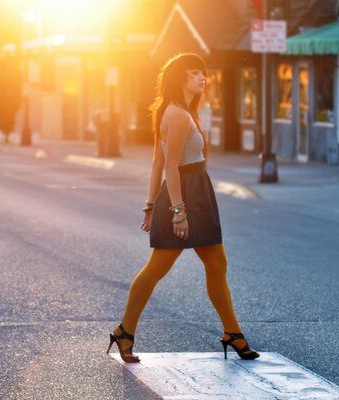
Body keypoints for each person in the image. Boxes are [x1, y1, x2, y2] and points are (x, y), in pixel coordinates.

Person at [107, 53, 259, 363]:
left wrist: (150, 206)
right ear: (180, 78)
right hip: (185, 195)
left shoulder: (183, 111)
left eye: (203, 73)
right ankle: (125, 330)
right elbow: (169, 167)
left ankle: (233, 333)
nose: (202, 78)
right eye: (193, 74)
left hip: (196, 193)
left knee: (217, 264)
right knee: (157, 268)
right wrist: (177, 211)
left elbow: (157, 162)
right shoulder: (176, 114)